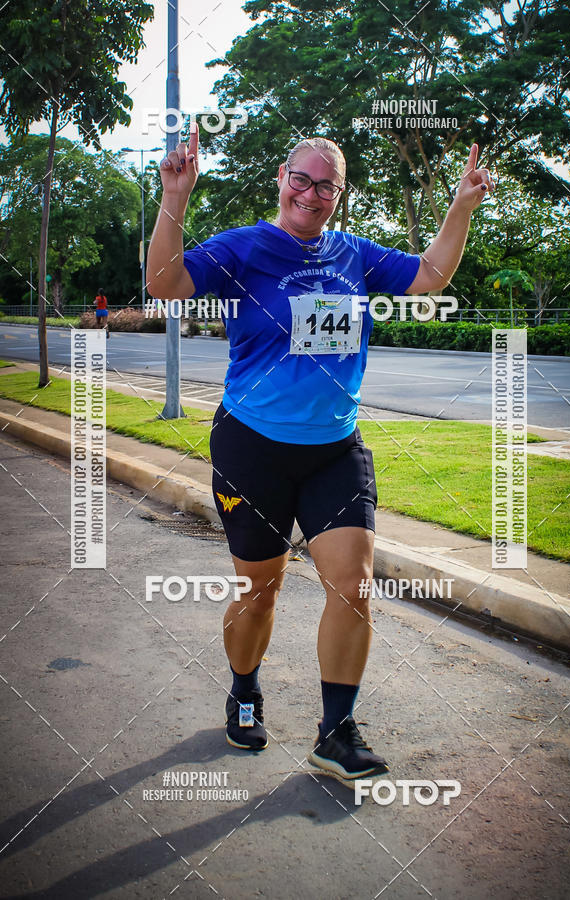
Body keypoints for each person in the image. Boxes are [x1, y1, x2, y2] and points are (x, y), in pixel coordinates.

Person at [147, 124, 494, 786]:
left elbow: (427, 277)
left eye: (325, 185)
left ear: (339, 193)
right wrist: (175, 199)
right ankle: (245, 690)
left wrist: (461, 207)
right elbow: (165, 285)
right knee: (259, 593)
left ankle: (336, 733)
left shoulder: (353, 254)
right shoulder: (246, 249)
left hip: (335, 447)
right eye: (300, 179)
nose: (310, 193)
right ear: (282, 179)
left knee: (354, 584)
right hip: (254, 448)